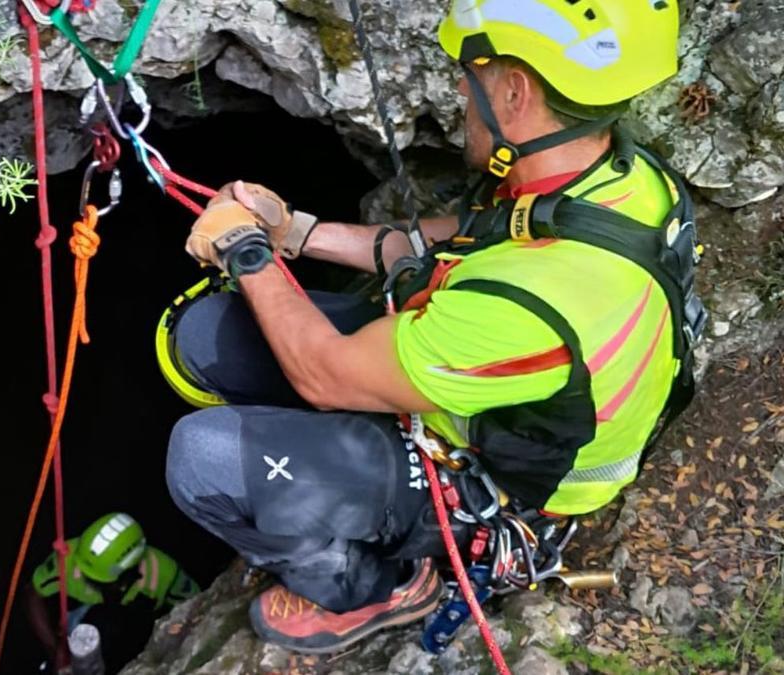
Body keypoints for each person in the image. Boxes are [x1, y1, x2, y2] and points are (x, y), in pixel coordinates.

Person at [162, 0, 705, 655]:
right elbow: (465, 241)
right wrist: (298, 234)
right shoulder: (612, 176)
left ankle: (376, 585)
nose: (458, 87)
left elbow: (323, 374)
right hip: (481, 375)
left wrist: (247, 252)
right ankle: (313, 469)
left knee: (200, 458)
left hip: (497, 474)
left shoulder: (534, 303)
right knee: (204, 335)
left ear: (515, 90)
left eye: (471, 71)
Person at [24, 513, 200, 672]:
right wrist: (55, 649)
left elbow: (197, 604)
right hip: (78, 622)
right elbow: (33, 594)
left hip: (133, 632)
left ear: (127, 574)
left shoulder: (162, 574)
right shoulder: (68, 559)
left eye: (95, 580)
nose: (85, 577)